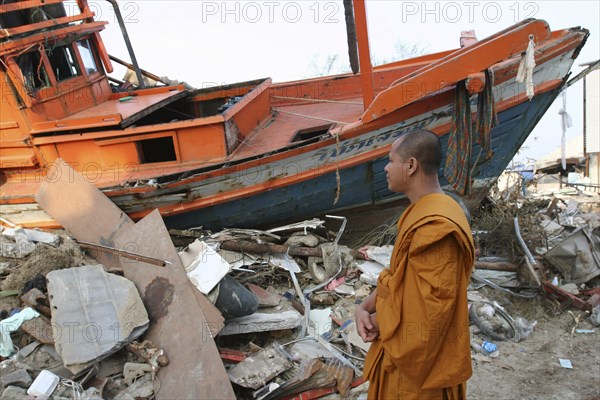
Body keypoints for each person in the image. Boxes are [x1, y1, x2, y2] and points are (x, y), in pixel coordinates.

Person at [355, 129, 475, 399]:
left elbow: (429, 314)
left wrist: (378, 319)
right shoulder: (420, 213)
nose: (385, 168)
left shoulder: (439, 227)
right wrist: (364, 307)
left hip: (419, 374)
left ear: (411, 166)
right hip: (400, 356)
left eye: (390, 160)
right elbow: (399, 279)